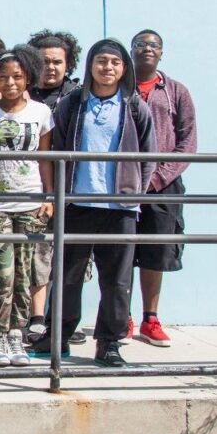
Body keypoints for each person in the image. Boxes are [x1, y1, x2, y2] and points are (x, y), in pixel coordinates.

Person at [49, 38, 155, 367]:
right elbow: (58, 149)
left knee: (117, 280)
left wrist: (135, 191)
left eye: (115, 62)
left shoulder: (134, 105)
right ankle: (58, 336)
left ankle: (109, 342)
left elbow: (149, 156)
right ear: (91, 65)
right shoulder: (72, 103)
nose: (107, 68)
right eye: (101, 61)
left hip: (119, 208)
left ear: (123, 69)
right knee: (67, 276)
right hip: (78, 204)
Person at [0, 46, 54, 367]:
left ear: (28, 78)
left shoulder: (41, 113)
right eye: (3, 77)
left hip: (31, 201)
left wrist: (49, 198)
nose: (10, 83)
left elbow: (46, 158)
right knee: (1, 273)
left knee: (24, 275)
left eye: (17, 77)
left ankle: (16, 335)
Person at [130, 29, 197, 347]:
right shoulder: (119, 88)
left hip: (163, 185)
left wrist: (157, 178)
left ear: (161, 53)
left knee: (156, 250)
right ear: (131, 50)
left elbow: (187, 142)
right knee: (119, 249)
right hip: (123, 184)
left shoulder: (175, 91)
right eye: (141, 44)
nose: (147, 49)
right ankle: (121, 317)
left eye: (153, 45)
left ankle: (150, 318)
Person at [26, 29, 84, 343]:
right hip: (33, 188)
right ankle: (36, 318)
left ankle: (64, 321)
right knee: (37, 254)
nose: (50, 67)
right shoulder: (23, 94)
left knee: (70, 261)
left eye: (57, 62)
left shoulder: (78, 96)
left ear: (68, 63)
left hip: (73, 191)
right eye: (44, 61)